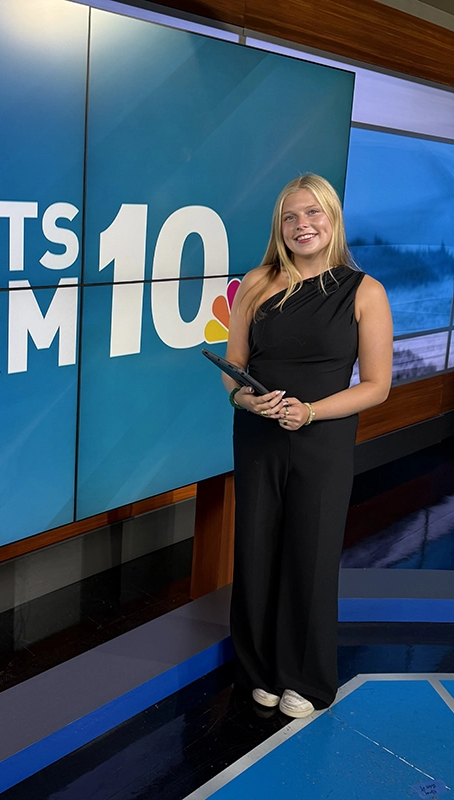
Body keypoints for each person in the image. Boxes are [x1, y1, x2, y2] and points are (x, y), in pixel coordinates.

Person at [222, 174, 393, 719]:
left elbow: (377, 385)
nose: (303, 226)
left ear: (332, 219)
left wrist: (312, 411)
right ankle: (259, 669)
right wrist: (248, 402)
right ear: (280, 226)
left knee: (311, 555)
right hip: (258, 437)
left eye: (314, 214)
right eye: (291, 217)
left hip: (323, 437)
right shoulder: (256, 282)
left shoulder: (364, 290)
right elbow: (234, 368)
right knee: (255, 550)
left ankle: (305, 678)